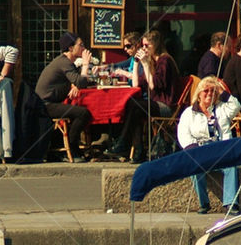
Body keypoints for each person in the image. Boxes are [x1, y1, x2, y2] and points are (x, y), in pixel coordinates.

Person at [104, 29, 181, 163]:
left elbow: (153, 85)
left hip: (167, 106)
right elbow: (135, 84)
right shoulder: (151, 61)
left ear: (156, 45)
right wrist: (137, 62)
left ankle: (124, 143)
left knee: (136, 105)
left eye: (147, 46)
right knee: (134, 105)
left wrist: (145, 64)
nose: (144, 48)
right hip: (154, 103)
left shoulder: (164, 61)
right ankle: (137, 150)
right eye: (143, 45)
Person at [177, 76, 241, 214]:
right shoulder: (189, 113)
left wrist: (222, 91)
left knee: (231, 165)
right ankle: (204, 203)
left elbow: (236, 106)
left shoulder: (221, 109)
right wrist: (193, 150)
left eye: (213, 91)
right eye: (206, 91)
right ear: (199, 94)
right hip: (199, 148)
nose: (209, 94)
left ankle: (231, 204)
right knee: (194, 166)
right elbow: (183, 134)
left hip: (220, 147)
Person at [34, 32, 94, 162]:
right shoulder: (64, 62)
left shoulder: (66, 62)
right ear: (71, 48)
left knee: (79, 112)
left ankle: (66, 148)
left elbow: (76, 80)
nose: (84, 47)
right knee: (83, 113)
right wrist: (85, 65)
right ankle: (71, 150)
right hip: (45, 105)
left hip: (49, 103)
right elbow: (81, 82)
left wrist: (74, 86)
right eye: (80, 45)